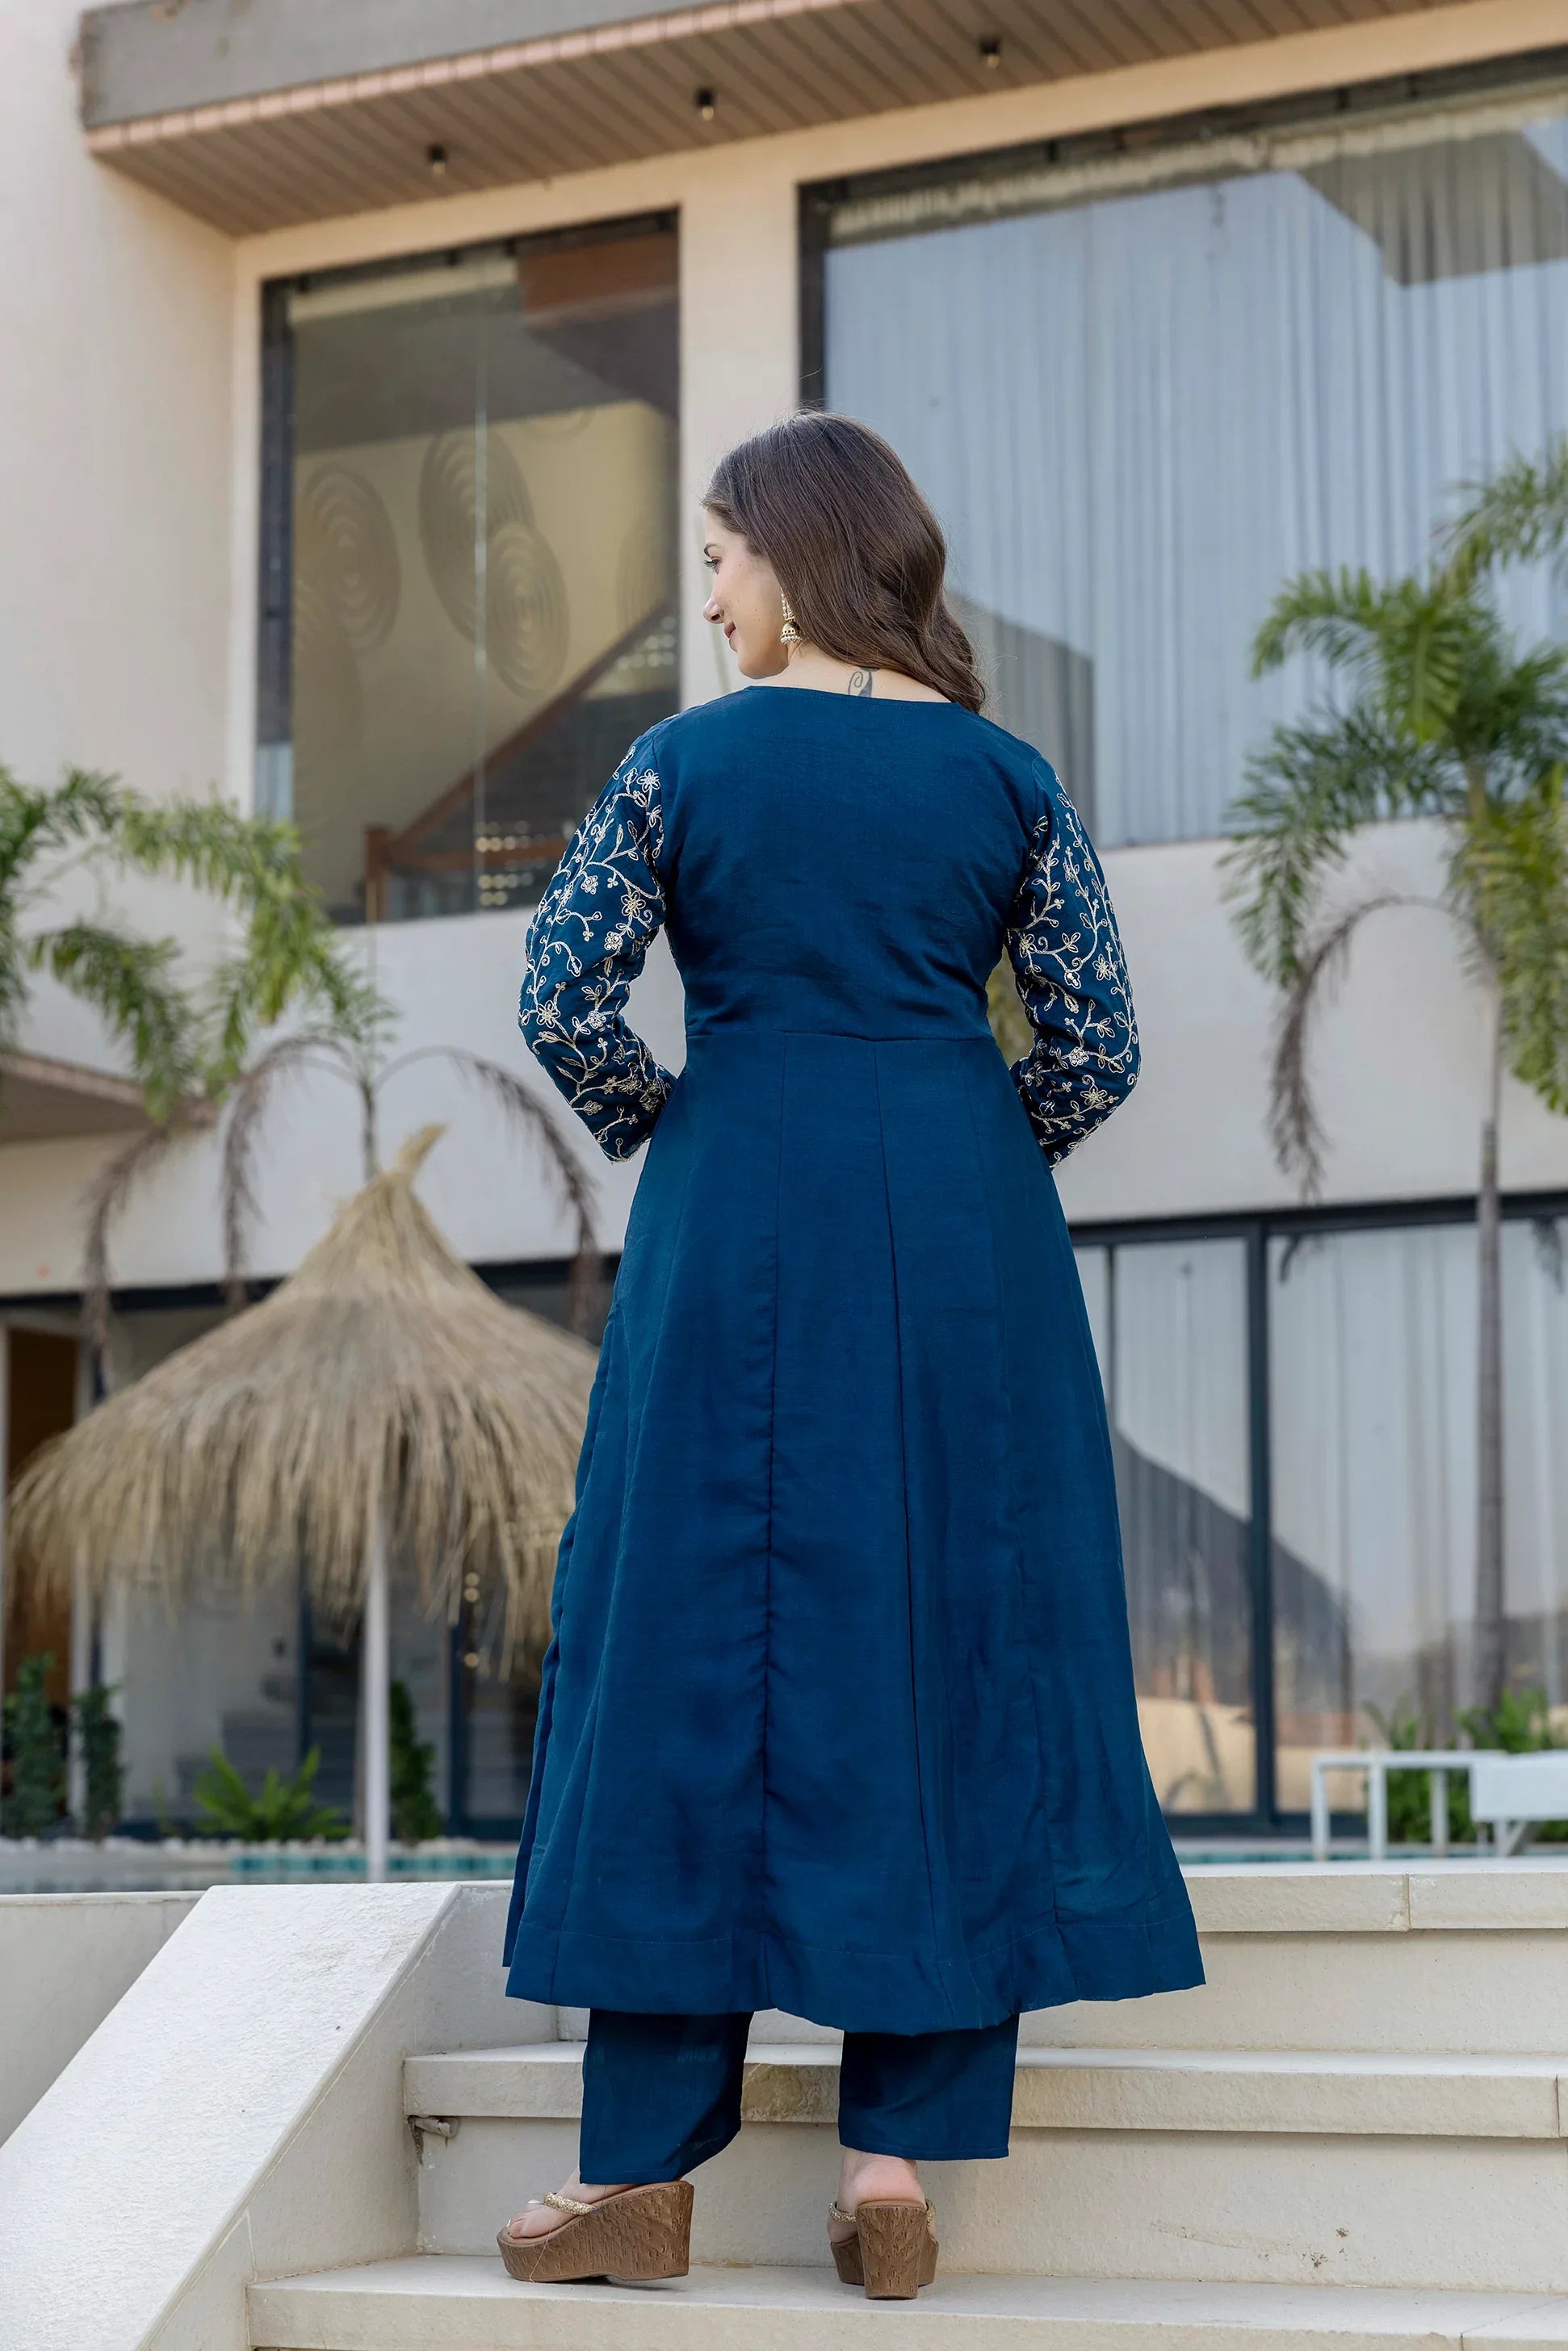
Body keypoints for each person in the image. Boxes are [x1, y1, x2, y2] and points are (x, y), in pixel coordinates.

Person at [497, 412, 1201, 2299]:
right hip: (961, 1230)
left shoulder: (675, 767)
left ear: (790, 556)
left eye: (716, 557)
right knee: (953, 1642)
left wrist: (682, 1118)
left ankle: (638, 2181)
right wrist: (968, 1155)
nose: (707, 596)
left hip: (733, 1212)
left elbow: (559, 1000)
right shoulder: (1006, 779)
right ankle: (889, 2176)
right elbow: (1094, 1045)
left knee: (680, 1646)